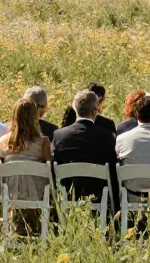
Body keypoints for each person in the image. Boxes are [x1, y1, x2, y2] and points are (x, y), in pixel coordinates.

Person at [50, 88, 119, 217]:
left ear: (74, 108)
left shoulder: (60, 135)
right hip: (98, 194)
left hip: (70, 193)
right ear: (95, 110)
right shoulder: (107, 136)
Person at [0, 96, 51, 234]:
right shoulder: (42, 142)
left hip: (10, 192)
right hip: (37, 193)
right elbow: (51, 169)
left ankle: (19, 224)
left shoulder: (4, 142)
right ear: (35, 117)